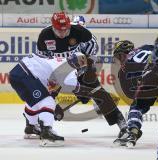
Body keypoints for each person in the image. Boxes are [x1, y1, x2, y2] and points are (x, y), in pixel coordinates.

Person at [22, 11, 126, 139]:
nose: (62, 33)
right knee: (42, 94)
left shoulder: (81, 32)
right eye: (59, 30)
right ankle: (32, 124)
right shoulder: (45, 35)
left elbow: (92, 52)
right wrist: (53, 105)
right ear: (53, 26)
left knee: (98, 92)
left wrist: (87, 69)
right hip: (56, 71)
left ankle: (121, 122)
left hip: (80, 68)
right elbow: (41, 60)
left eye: (65, 30)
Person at [9, 51, 88, 146]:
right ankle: (47, 133)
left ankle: (31, 126)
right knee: (48, 102)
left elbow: (51, 88)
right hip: (26, 74)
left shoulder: (58, 62)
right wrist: (85, 93)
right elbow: (71, 84)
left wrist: (52, 108)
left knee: (37, 102)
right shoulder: (69, 67)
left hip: (17, 74)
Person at [112, 34, 158, 147]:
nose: (119, 60)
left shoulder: (124, 67)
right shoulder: (146, 47)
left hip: (151, 77)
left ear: (124, 53)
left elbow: (130, 92)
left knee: (137, 106)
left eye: (119, 56)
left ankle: (133, 131)